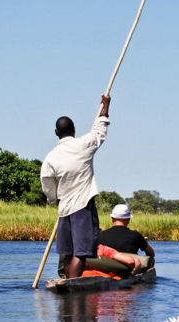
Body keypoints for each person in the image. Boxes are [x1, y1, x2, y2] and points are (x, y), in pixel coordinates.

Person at [41, 94, 111, 279]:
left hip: (64, 209)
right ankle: (72, 283)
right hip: (82, 206)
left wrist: (53, 199)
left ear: (56, 133)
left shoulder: (51, 157)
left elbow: (47, 183)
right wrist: (105, 107)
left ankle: (67, 283)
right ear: (74, 130)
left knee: (67, 252)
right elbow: (99, 132)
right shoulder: (83, 145)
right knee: (81, 253)